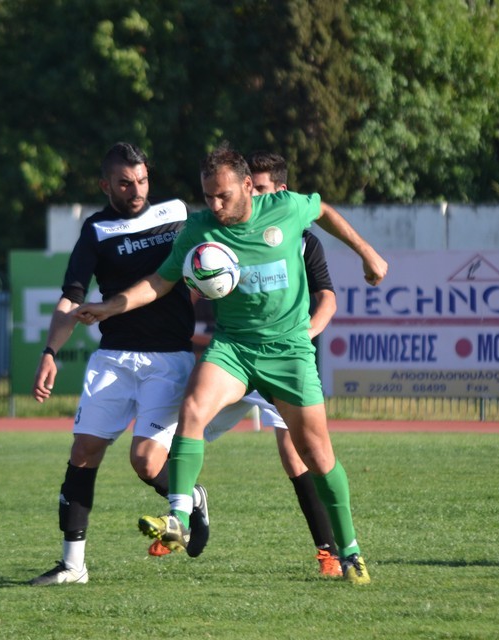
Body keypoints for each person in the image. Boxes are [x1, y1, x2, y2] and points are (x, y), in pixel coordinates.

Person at [75, 143, 388, 585]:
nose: (216, 206)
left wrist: (367, 253)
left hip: (288, 351)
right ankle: (179, 517)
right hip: (234, 347)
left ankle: (349, 551)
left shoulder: (286, 208)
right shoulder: (200, 228)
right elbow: (161, 281)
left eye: (223, 195)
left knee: (317, 456)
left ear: (247, 186)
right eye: (209, 197)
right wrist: (110, 307)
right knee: (193, 407)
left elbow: (324, 211)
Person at [28, 142, 209, 586]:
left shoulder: (176, 214)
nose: (136, 190)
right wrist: (50, 352)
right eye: (125, 183)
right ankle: (73, 566)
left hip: (169, 359)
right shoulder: (96, 230)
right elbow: (71, 298)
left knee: (145, 462)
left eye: (142, 180)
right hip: (114, 358)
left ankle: (191, 497)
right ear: (105, 185)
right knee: (83, 452)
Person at [164, 151, 344, 577]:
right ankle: (183, 511)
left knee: (297, 455)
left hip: (284, 358)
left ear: (278, 192)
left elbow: (327, 298)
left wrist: (304, 335)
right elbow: (185, 282)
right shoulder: (215, 236)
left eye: (264, 190)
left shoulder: (302, 238)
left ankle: (330, 553)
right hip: (235, 357)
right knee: (171, 438)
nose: (258, 199)